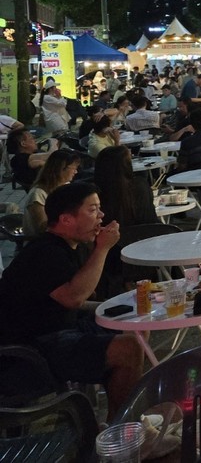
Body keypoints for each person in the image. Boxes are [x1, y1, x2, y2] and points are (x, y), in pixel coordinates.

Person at [0, 182, 144, 419]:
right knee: (129, 348)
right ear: (66, 219)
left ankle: (116, 420)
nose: (101, 215)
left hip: (60, 329)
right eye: (93, 209)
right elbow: (73, 297)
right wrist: (102, 249)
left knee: (132, 325)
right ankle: (122, 433)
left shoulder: (66, 246)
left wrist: (113, 308)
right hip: (29, 351)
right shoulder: (45, 252)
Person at [94, 146, 159, 228]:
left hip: (111, 238)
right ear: (127, 165)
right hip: (146, 236)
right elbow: (150, 218)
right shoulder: (140, 186)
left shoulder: (94, 194)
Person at [23, 149, 82, 237]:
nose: (76, 172)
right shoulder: (38, 194)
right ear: (61, 169)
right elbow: (42, 227)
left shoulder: (66, 185)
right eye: (73, 168)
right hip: (45, 241)